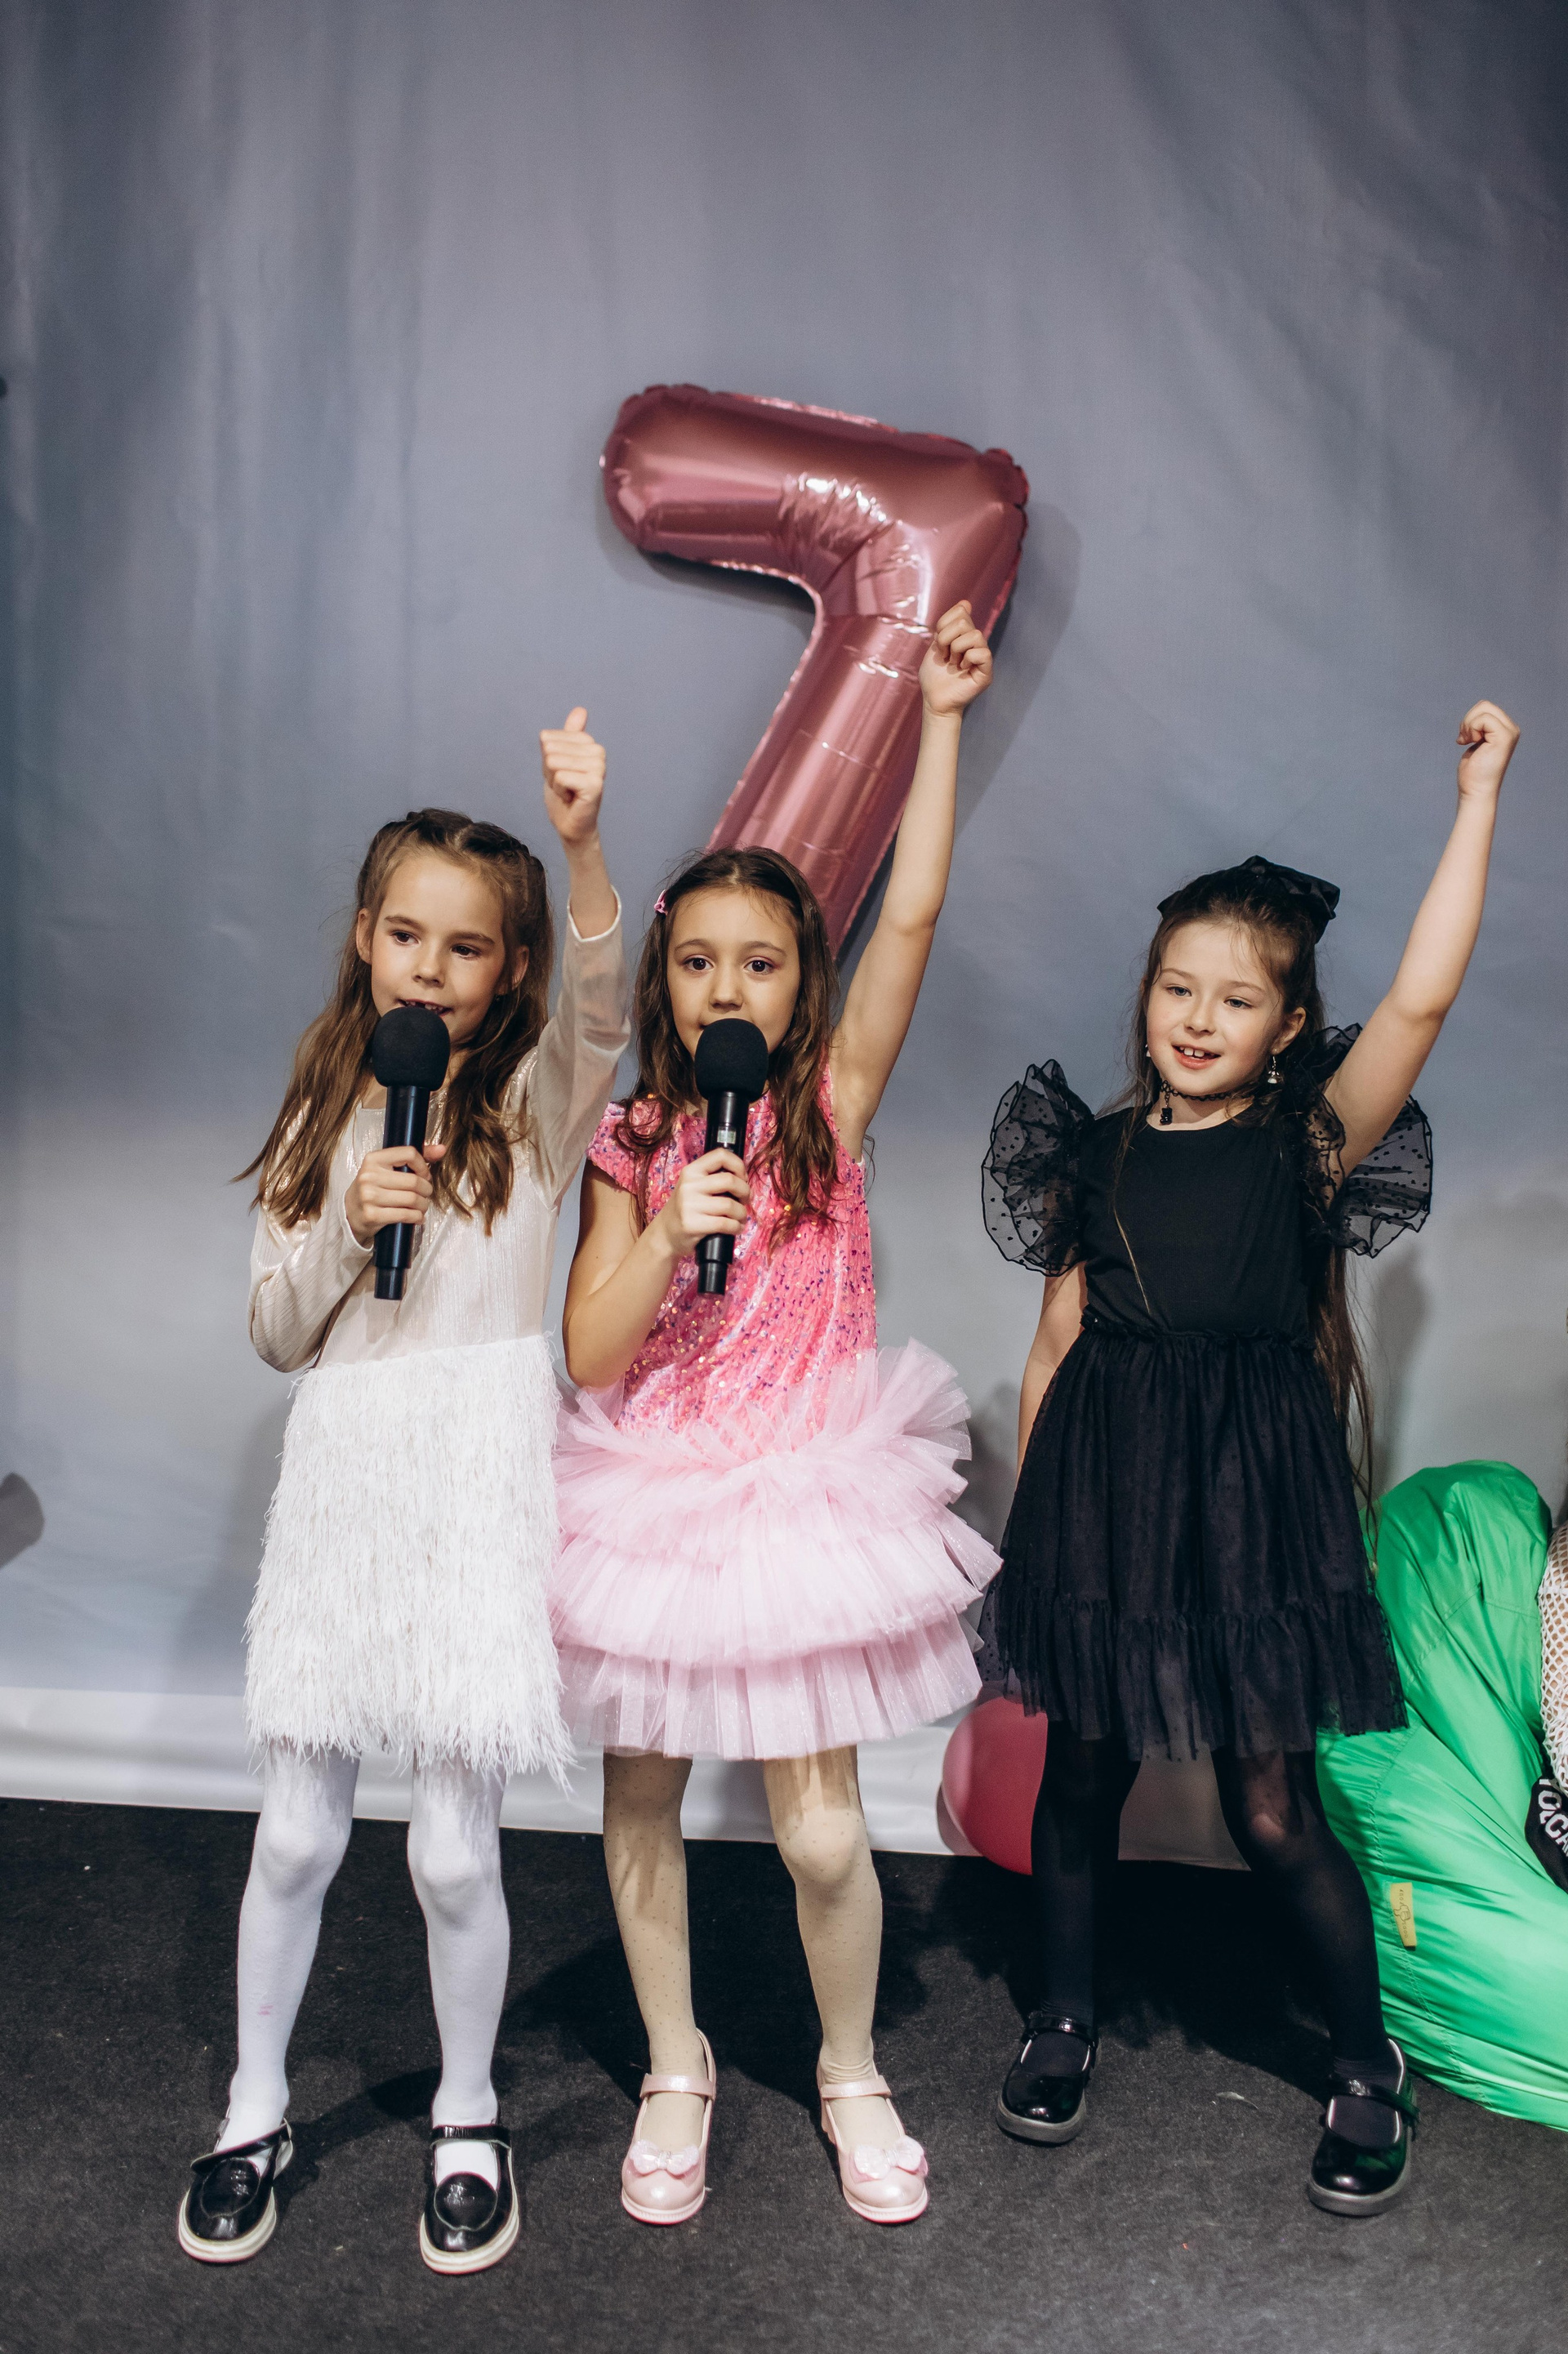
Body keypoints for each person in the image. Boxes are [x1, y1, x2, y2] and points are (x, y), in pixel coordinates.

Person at [980, 701, 1519, 2214]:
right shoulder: (1092, 1152)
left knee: (1269, 1804)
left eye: (1237, 997)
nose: (1199, 1016)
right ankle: (1062, 2016)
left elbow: (1422, 997)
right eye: (1177, 987)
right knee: (1082, 1770)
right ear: (1146, 995)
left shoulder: (1307, 1143)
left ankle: (1361, 2060)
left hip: (1247, 1503)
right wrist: (1043, 1527)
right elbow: (1056, 1343)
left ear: (1288, 1027)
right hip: (1106, 1496)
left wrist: (1479, 796)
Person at [552, 603, 1000, 2227]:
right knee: (643, 1799)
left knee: (819, 1835)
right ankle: (674, 2065)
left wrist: (940, 720)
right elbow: (588, 1350)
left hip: (807, 1488)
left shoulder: (830, 1100)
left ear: (802, 980)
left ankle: (849, 2068)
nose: (725, 983)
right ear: (665, 980)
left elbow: (917, 910)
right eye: (697, 961)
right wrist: (670, 1223)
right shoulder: (636, 1139)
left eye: (760, 959)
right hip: (661, 1498)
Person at [177, 714, 627, 2274]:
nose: (430, 970)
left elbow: (610, 1004)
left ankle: (467, 2110)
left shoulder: (538, 1109)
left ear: (509, 969)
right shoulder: (328, 1109)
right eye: (407, 935)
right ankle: (253, 2104)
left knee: (450, 1849)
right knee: (297, 1834)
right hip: (346, 1480)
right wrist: (339, 1224)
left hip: (476, 1485)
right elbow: (273, 1327)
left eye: (468, 947)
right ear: (366, 937)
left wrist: (579, 841)